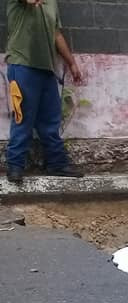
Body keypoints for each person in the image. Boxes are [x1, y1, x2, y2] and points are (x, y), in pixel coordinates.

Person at [5, 0, 83, 183]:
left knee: (50, 121)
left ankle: (56, 163)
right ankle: (15, 165)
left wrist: (71, 62)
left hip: (47, 69)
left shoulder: (52, 3)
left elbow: (56, 33)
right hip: (22, 65)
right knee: (23, 118)